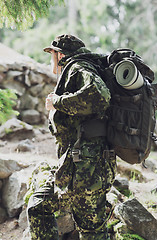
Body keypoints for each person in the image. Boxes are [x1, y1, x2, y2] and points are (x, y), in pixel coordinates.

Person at [27, 34, 116, 240]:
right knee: (42, 207)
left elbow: (100, 96)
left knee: (90, 230)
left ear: (59, 54)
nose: (51, 59)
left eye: (52, 54)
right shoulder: (79, 68)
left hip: (86, 168)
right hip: (83, 165)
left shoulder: (78, 68)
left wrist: (57, 102)